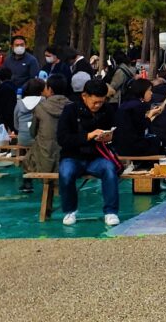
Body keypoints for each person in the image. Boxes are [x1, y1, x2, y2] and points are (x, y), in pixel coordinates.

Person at [56, 78, 121, 227]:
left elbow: (117, 133)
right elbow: (62, 138)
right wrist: (88, 136)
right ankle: (69, 210)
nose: (98, 105)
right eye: (95, 102)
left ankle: (111, 212)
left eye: (101, 101)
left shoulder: (108, 110)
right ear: (84, 96)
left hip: (97, 156)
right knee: (65, 173)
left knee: (109, 170)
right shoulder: (70, 110)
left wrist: (109, 137)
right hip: (72, 156)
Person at [23, 75, 71, 184]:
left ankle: (27, 184)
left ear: (50, 89)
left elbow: (33, 132)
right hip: (68, 157)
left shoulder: (41, 107)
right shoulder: (73, 107)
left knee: (28, 159)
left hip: (44, 156)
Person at [113, 79, 162, 157]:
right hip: (131, 147)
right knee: (156, 141)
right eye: (149, 90)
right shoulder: (138, 105)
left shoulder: (126, 103)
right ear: (142, 91)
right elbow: (141, 126)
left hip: (119, 146)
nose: (151, 93)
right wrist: (151, 114)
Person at [14, 77, 46, 147]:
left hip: (22, 139)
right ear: (42, 90)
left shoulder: (19, 103)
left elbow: (16, 125)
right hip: (39, 140)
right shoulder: (44, 101)